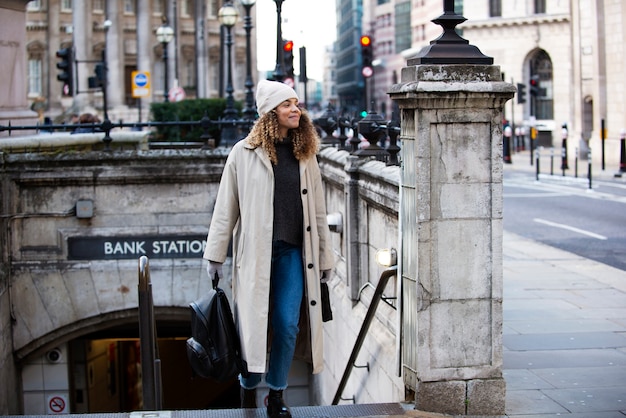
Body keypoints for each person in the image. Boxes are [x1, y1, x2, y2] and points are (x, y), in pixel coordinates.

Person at [203, 79, 334, 418]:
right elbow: (225, 208)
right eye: (288, 104)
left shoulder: (306, 155)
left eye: (296, 103)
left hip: (293, 253)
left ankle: (276, 395)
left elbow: (318, 211)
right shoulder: (242, 154)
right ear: (270, 112)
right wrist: (215, 255)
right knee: (252, 326)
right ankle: (247, 390)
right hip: (256, 257)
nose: (296, 109)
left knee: (287, 324)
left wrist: (324, 257)